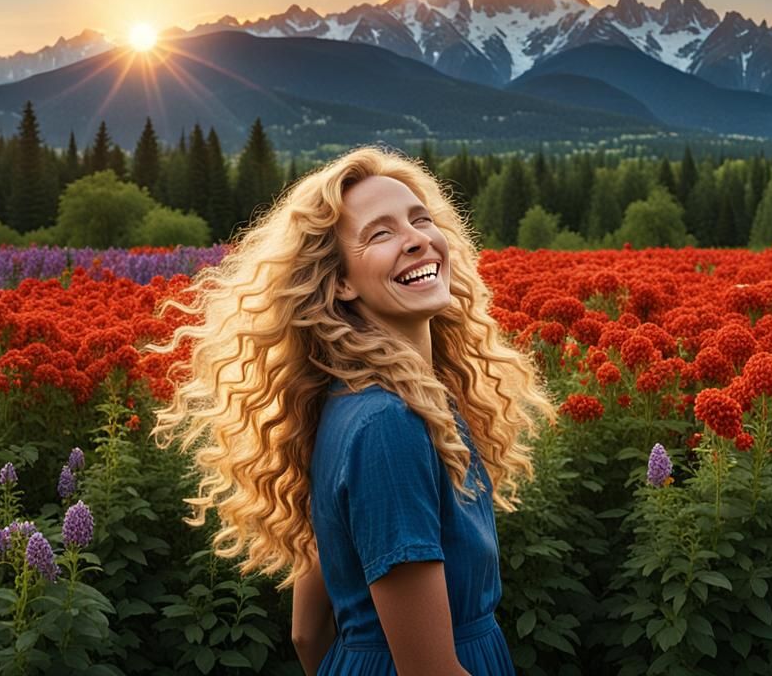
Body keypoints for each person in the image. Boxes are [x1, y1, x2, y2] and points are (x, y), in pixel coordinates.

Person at [149, 146, 556, 675]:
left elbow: (306, 633)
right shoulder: (392, 424)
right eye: (380, 233)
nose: (416, 239)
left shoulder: (355, 400)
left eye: (421, 219)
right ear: (338, 281)